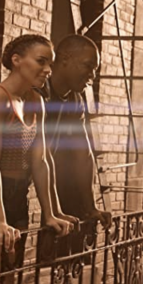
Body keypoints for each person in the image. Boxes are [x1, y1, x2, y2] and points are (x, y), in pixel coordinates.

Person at [0, 34, 75, 253]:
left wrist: (51, 213)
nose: (48, 70)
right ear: (16, 60)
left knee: (12, 268)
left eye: (50, 64)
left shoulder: (36, 101)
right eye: (41, 61)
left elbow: (41, 161)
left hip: (18, 195)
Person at [46, 35, 112, 232]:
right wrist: (52, 211)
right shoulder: (38, 93)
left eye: (95, 69)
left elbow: (83, 155)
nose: (92, 75)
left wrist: (90, 207)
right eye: (88, 66)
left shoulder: (75, 100)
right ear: (65, 59)